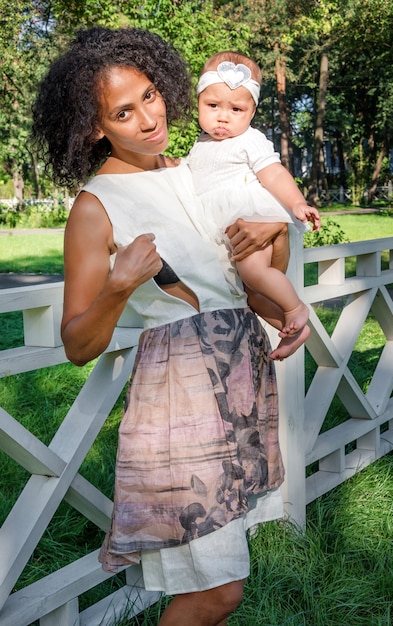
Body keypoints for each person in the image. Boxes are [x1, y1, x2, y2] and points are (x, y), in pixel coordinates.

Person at [32, 27, 287, 626]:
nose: (149, 118)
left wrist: (272, 234)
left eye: (150, 94)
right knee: (216, 592)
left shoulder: (199, 168)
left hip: (237, 380)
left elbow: (255, 285)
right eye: (124, 111)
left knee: (222, 587)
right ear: (95, 129)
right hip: (180, 404)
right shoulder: (95, 207)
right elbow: (76, 344)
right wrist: (119, 286)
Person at [188, 51, 321, 361]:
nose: (223, 117)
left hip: (250, 217)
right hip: (224, 232)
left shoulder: (250, 139)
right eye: (213, 106)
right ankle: (291, 327)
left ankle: (295, 308)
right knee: (252, 295)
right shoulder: (200, 144)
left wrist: (297, 203)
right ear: (198, 103)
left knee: (253, 272)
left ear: (252, 112)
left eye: (236, 109)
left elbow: (273, 173)